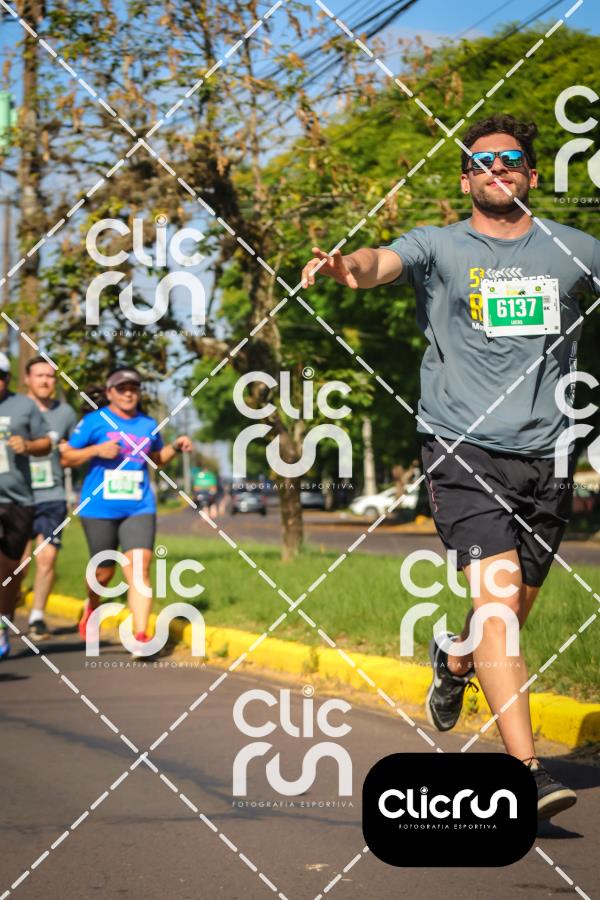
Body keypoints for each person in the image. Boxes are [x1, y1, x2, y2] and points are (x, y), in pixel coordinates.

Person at [301, 113, 600, 820]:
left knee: (512, 610)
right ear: (466, 179)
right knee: (498, 606)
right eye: (482, 161)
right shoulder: (437, 245)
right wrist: (349, 267)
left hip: (549, 454)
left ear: (531, 175)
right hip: (461, 446)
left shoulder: (573, 249)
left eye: (511, 159)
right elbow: (379, 262)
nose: (498, 169)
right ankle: (526, 771)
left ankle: (455, 660)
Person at [61, 367, 192, 651]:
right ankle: (92, 605)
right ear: (110, 393)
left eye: (133, 389)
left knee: (139, 567)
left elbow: (156, 458)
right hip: (99, 507)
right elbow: (66, 457)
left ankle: (141, 635)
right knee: (103, 573)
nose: (129, 394)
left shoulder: (148, 424)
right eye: (122, 389)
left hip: (139, 505)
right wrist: (96, 451)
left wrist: (175, 446)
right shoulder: (94, 421)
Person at [17, 356, 78, 641]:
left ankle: (37, 617)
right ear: (27, 379)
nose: (45, 380)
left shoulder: (65, 413)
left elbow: (73, 453)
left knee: (47, 557)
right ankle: (10, 603)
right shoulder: (13, 409)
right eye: (39, 375)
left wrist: (68, 452)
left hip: (52, 495)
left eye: (50, 376)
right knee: (17, 561)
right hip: (17, 495)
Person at [0, 352, 51, 660]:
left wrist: (27, 445)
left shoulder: (24, 406)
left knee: (10, 568)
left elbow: (46, 442)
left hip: (19, 499)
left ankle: (3, 623)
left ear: (6, 379)